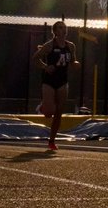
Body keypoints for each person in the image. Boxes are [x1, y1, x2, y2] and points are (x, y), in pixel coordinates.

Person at [33, 21, 79, 152]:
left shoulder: (71, 46)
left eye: (65, 27)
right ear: (55, 31)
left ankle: (52, 141)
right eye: (60, 27)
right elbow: (35, 58)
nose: (64, 29)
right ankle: (43, 107)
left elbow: (72, 60)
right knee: (49, 112)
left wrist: (75, 63)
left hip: (62, 81)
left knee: (59, 112)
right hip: (49, 81)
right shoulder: (49, 46)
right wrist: (45, 67)